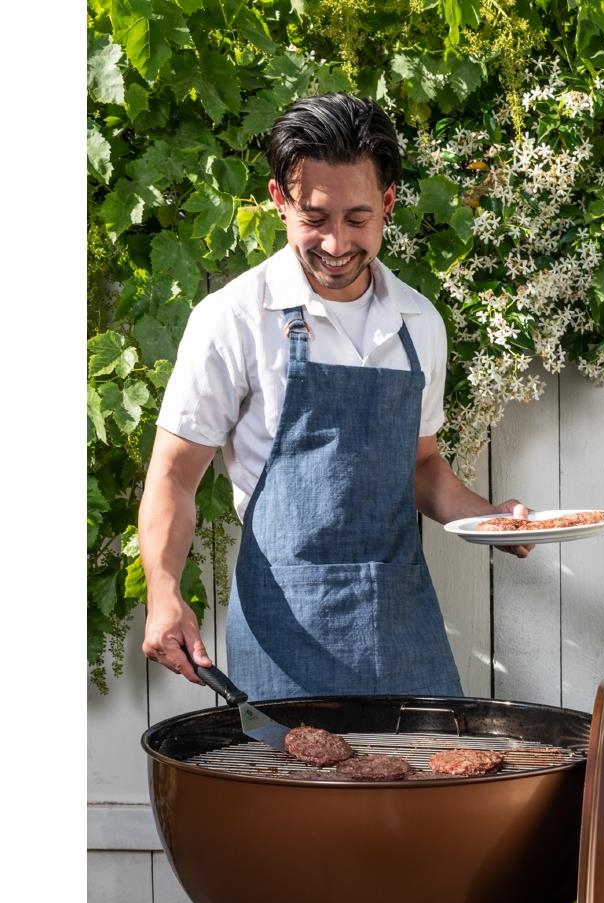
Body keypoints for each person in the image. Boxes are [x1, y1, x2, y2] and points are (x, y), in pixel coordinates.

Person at [138, 92, 532, 700]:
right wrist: (163, 591)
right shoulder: (234, 318)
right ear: (279, 199)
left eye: (358, 218)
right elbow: (172, 475)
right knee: (295, 766)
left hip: (402, 623)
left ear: (389, 203)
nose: (336, 243)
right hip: (283, 634)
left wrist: (488, 519)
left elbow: (421, 464)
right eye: (315, 218)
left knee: (433, 765)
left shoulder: (418, 323)